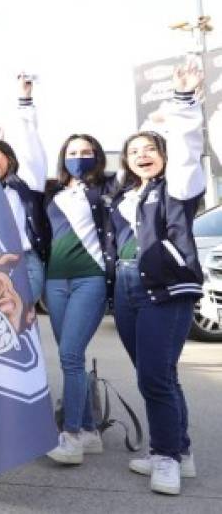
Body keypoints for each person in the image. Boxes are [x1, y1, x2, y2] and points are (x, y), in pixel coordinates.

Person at [106, 62, 204, 496]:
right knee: (156, 372)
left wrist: (184, 103)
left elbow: (186, 149)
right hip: (127, 288)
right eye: (134, 151)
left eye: (150, 148)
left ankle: (165, 457)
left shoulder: (178, 186)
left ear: (162, 155)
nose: (142, 154)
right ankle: (178, 450)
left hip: (165, 289)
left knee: (155, 377)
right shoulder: (126, 195)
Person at [44, 134, 115, 465]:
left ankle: (70, 435)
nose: (79, 157)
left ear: (97, 156)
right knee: (70, 355)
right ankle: (88, 430)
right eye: (72, 152)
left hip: (91, 279)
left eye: (86, 152)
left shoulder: (108, 189)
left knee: (71, 355)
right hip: (55, 282)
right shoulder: (53, 192)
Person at [0, 76, 50, 305]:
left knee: (17, 323)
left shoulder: (25, 184)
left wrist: (24, 100)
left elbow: (30, 145)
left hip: (24, 264)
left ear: (9, 158)